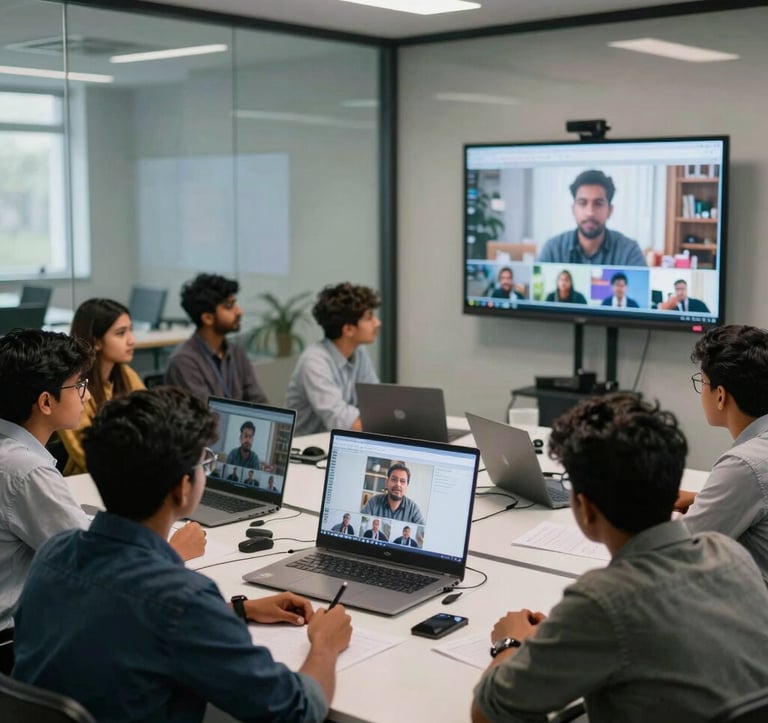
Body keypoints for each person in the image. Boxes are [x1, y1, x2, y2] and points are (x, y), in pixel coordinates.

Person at [12, 387, 352, 721]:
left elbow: (125, 620)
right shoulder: (181, 599)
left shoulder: (52, 554)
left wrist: (237, 610)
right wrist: (324, 644)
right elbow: (296, 711)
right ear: (183, 487)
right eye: (205, 461)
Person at [471, 393, 768, 723]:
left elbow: (488, 712)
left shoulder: (602, 602)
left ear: (585, 508)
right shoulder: (731, 555)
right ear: (673, 491)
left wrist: (510, 643)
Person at [0, 330, 205, 675]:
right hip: (12, 644)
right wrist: (171, 553)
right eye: (78, 385)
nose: (87, 393)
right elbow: (99, 571)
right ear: (46, 402)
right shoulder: (26, 471)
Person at [676, 325, 768, 582]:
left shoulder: (745, 465)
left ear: (720, 396)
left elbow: (680, 552)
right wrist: (701, 500)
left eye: (702, 383)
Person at [58, 298, 144, 476]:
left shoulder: (126, 375)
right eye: (121, 333)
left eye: (130, 331)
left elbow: (152, 422)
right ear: (96, 342)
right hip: (85, 481)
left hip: (129, 474)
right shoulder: (72, 385)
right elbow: (85, 454)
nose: (131, 340)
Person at [285, 282, 380, 435]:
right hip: (304, 451)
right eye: (369, 317)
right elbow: (343, 422)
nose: (377, 323)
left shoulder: (359, 351)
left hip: (337, 443)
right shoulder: (314, 361)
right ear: (348, 329)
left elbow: (375, 403)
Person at [164, 273, 268, 404]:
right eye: (229, 306)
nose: (239, 311)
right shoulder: (184, 361)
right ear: (208, 318)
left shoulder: (236, 353)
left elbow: (258, 401)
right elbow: (202, 417)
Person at [537, 169, 646, 266]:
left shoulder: (629, 251)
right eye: (582, 203)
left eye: (598, 204)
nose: (590, 212)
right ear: (573, 210)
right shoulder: (553, 249)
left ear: (610, 210)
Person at [360, 462, 425, 525]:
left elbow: (422, 533)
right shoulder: (373, 502)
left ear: (407, 486)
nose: (398, 484)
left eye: (402, 481)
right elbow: (361, 523)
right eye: (394, 479)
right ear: (387, 482)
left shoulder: (413, 509)